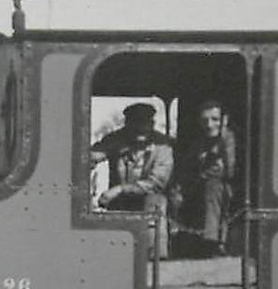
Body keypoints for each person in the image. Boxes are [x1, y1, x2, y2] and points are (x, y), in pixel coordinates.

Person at [91, 103, 173, 256]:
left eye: (145, 122)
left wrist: (120, 189)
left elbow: (156, 183)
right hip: (119, 202)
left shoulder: (163, 146)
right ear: (127, 124)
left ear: (152, 124)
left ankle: (156, 257)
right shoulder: (116, 139)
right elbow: (93, 155)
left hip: (148, 199)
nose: (140, 127)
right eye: (135, 122)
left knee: (156, 202)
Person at [169, 101, 236, 258]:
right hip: (200, 187)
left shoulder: (230, 140)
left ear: (224, 120)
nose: (209, 125)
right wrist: (179, 188)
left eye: (215, 119)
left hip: (227, 190)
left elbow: (230, 172)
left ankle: (213, 243)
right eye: (205, 120)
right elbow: (187, 168)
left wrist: (223, 141)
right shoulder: (199, 143)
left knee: (213, 186)